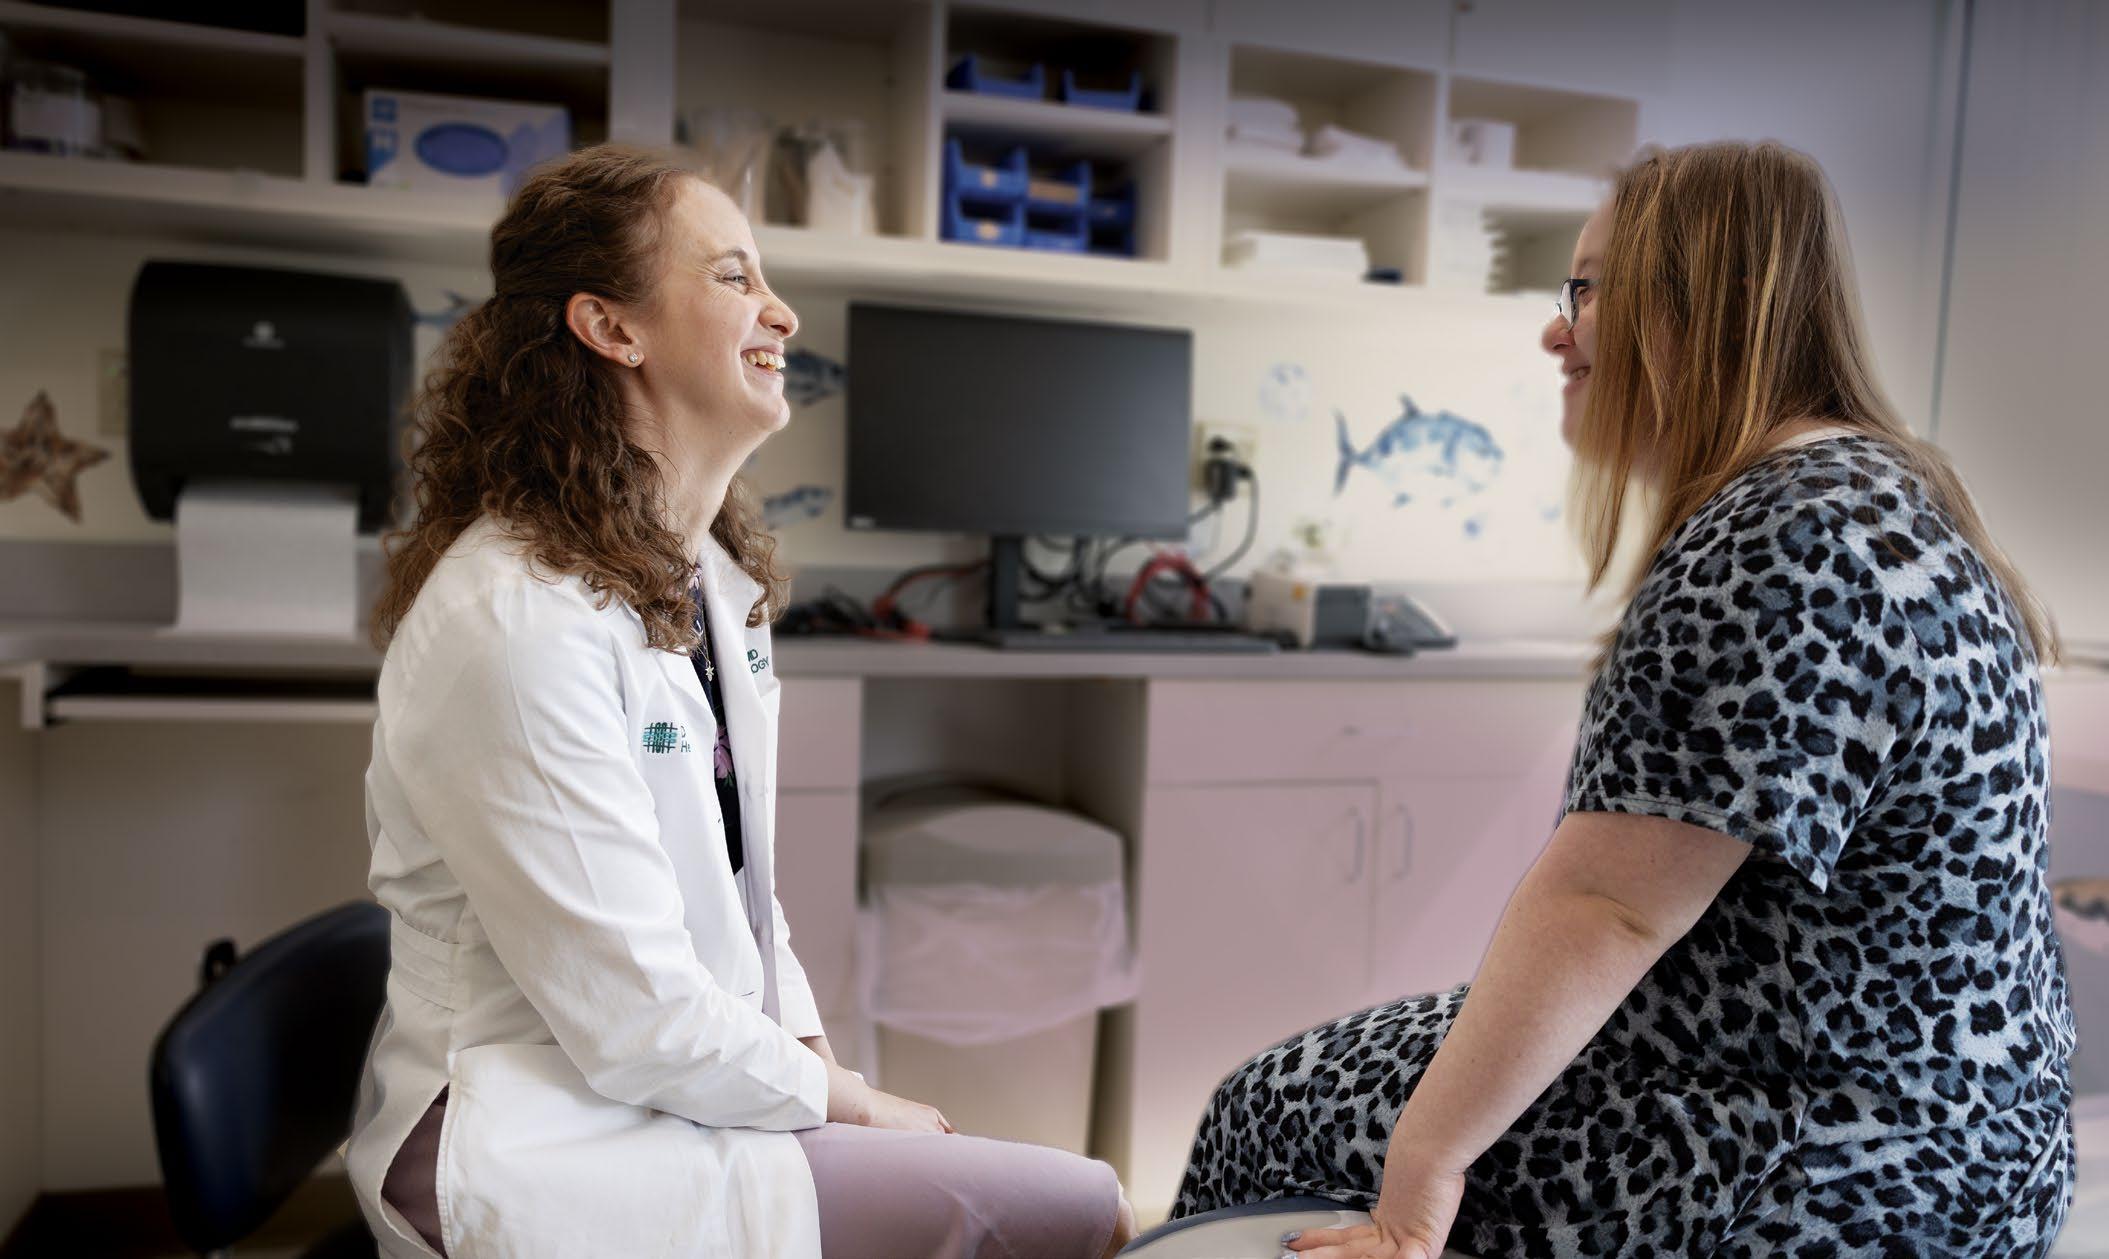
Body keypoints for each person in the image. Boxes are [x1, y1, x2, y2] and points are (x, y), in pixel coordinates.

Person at [1173, 140, 2075, 1257]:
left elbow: (1607, 906)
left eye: (1589, 290)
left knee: (1267, 1110)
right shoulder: (1884, 491)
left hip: (1824, 1157)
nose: (1557, 332)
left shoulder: (1780, 535)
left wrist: (1421, 1182)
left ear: (1696, 308)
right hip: (1968, 1134)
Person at [344, 144, 1136, 1259]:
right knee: (1085, 1207)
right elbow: (637, 1019)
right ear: (610, 327)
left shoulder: (708, 581)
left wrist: (823, 1073)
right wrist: (856, 1104)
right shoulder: (516, 623)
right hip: (533, 1125)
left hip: (665, 1083)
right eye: (734, 276)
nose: (784, 314)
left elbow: (744, 898)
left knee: (1049, 1197)